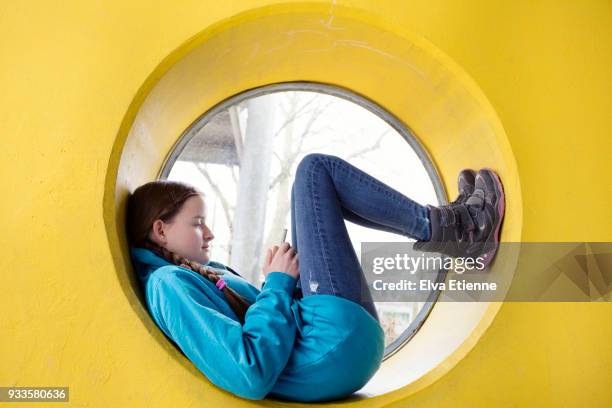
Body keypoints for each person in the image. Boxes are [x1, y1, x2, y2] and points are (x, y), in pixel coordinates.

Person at [126, 153, 505, 402]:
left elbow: (261, 326)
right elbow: (249, 371)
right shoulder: (168, 285)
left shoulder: (200, 274)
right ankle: (456, 230)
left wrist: (277, 283)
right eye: (196, 224)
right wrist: (276, 285)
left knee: (309, 187)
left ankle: (452, 228)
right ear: (160, 230)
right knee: (314, 172)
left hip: (329, 344)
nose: (209, 234)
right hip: (326, 350)